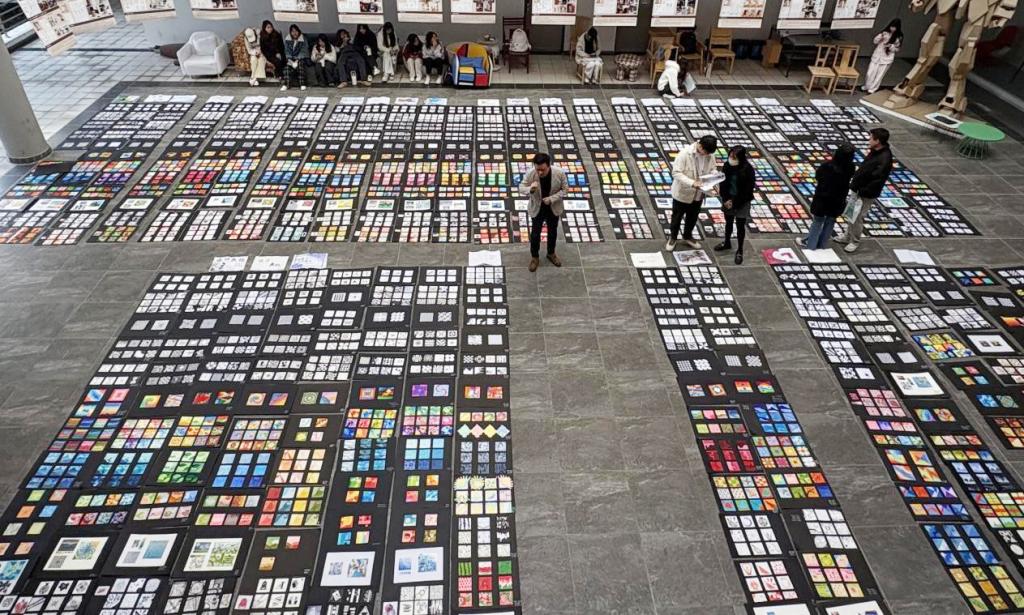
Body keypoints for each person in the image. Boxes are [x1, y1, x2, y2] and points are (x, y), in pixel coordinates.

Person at [835, 128, 893, 253]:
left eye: (871, 138)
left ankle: (854, 241)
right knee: (851, 214)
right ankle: (847, 236)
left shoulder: (885, 158)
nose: (869, 140)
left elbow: (877, 179)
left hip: (865, 193)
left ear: (878, 141)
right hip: (858, 188)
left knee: (857, 217)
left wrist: (862, 190)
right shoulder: (875, 151)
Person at [796, 143, 857, 250]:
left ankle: (811, 245)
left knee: (817, 221)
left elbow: (818, 177)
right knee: (830, 221)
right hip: (838, 198)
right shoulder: (851, 167)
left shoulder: (827, 166)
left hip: (823, 198)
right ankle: (822, 245)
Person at [666, 135, 718, 250]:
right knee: (677, 217)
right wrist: (692, 183)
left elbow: (712, 168)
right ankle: (673, 238)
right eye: (705, 152)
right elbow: (676, 173)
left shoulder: (710, 155)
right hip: (683, 192)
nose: (706, 155)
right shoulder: (685, 154)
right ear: (700, 145)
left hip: (699, 193)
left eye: (708, 153)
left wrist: (715, 178)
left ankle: (687, 236)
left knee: (693, 217)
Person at [518, 153, 568, 272]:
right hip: (537, 208)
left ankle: (551, 253)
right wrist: (530, 189)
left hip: (553, 207)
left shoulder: (559, 173)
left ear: (549, 165)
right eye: (537, 169)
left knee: (552, 232)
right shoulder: (531, 173)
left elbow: (565, 190)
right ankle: (534, 257)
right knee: (535, 234)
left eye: (543, 170)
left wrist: (551, 199)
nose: (540, 172)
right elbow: (521, 188)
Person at [714, 145, 755, 264]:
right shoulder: (727, 165)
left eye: (734, 156)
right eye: (731, 154)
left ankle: (740, 250)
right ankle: (727, 242)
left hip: (742, 201)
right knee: (728, 222)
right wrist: (726, 199)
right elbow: (723, 184)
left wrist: (734, 202)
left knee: (740, 226)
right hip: (728, 200)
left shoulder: (748, 169)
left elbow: (747, 190)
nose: (731, 157)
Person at [863, 19, 903, 94]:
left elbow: (897, 49)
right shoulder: (884, 33)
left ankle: (873, 88)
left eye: (894, 27)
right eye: (891, 26)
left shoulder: (898, 37)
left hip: (887, 58)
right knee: (870, 72)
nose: (892, 28)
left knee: (879, 75)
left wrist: (891, 46)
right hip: (877, 55)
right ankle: (867, 86)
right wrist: (881, 36)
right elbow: (875, 41)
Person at [281, 24, 310, 91]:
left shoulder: (303, 39)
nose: (294, 33)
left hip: (301, 58)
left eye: (296, 31)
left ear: (298, 31)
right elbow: (286, 51)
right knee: (287, 67)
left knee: (300, 65)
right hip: (291, 59)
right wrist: (291, 61)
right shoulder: (287, 40)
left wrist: (297, 60)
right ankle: (286, 84)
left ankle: (302, 84)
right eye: (293, 31)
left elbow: (304, 51)